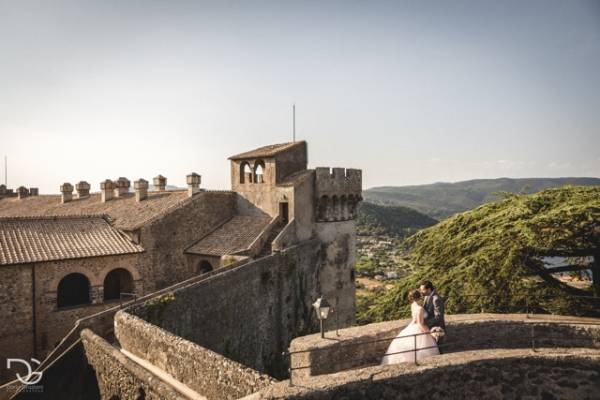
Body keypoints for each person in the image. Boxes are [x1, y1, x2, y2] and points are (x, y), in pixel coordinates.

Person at [380, 289, 439, 365]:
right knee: (423, 349)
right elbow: (420, 323)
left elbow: (415, 320)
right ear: (419, 297)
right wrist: (429, 332)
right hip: (419, 329)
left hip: (411, 327)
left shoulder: (412, 305)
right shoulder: (420, 308)